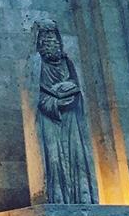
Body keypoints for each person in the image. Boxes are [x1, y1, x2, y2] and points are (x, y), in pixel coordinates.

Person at [31, 19, 99, 205]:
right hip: (49, 119)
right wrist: (54, 102)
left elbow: (77, 87)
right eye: (46, 36)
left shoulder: (67, 62)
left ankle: (83, 197)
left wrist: (70, 95)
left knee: (77, 157)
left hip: (72, 118)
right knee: (53, 160)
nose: (50, 40)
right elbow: (33, 97)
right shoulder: (37, 64)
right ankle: (57, 198)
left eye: (53, 35)